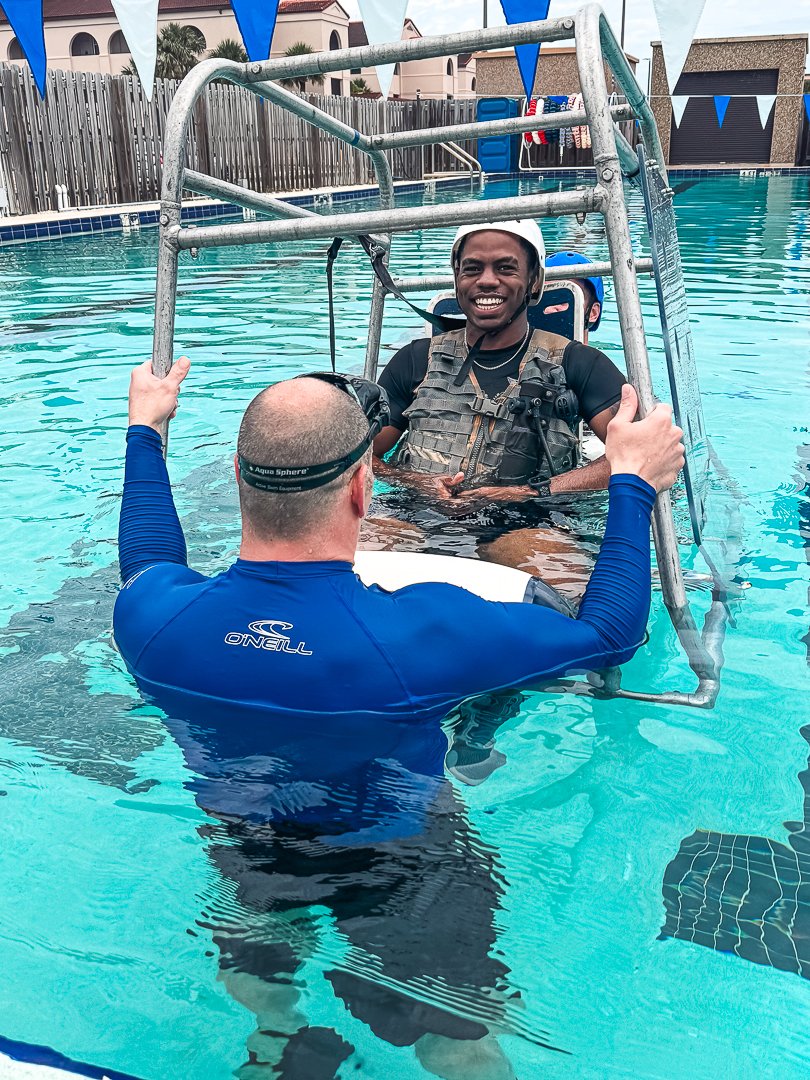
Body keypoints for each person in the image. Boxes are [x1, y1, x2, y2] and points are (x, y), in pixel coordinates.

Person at [113, 356, 682, 1078]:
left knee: (259, 964)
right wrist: (632, 483)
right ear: (361, 486)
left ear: (236, 475)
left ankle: (274, 1040)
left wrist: (146, 428)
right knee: (458, 1039)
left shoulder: (154, 620)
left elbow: (148, 557)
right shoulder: (419, 637)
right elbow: (611, 636)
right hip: (404, 860)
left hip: (247, 838)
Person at [372, 220, 625, 505]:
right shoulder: (416, 359)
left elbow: (642, 451)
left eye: (506, 268)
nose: (487, 280)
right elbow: (358, 454)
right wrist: (413, 480)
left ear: (535, 281)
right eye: (472, 269)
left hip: (528, 528)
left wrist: (533, 492)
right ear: (457, 278)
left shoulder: (577, 363)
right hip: (418, 518)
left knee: (528, 551)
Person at [543, 250, 605, 344]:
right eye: (542, 299)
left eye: (562, 298)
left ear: (593, 313)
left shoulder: (598, 359)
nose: (549, 309)